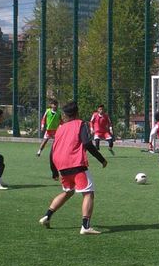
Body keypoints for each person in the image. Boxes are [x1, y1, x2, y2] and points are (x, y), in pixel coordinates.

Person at [39, 101, 108, 235]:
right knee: (88, 193)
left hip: (61, 166)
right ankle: (86, 226)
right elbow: (87, 143)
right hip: (76, 164)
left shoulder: (60, 128)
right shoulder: (81, 124)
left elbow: (52, 150)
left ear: (64, 115)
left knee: (68, 191)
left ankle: (47, 216)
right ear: (77, 113)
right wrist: (102, 160)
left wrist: (54, 171)